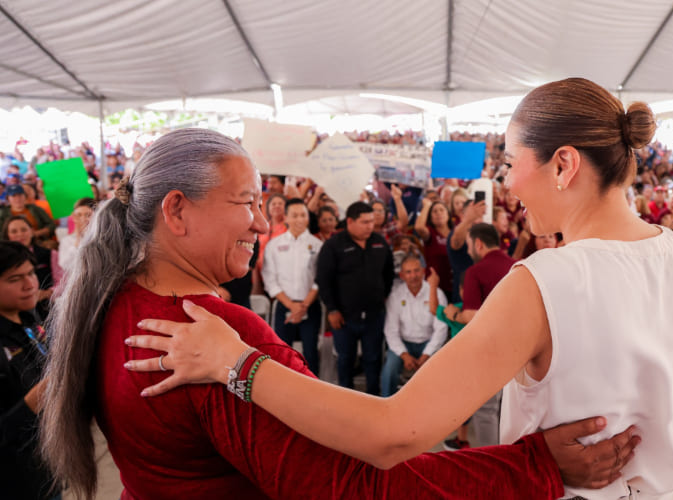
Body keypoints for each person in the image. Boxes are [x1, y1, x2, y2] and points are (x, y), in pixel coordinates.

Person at [127, 79, 673, 500]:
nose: (507, 184)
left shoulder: (548, 280)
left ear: (564, 165)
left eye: (512, 162)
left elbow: (395, 434)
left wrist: (238, 362)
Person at [40, 128, 637, 500]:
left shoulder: (110, 302)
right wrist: (531, 468)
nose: (260, 221)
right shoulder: (210, 340)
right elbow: (355, 482)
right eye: (246, 202)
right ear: (176, 210)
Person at [443, 223, 515, 448]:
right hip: (521, 345)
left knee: (486, 410)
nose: (467, 251)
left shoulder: (476, 271)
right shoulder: (517, 265)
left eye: (468, 245)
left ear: (478, 243)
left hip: (492, 348)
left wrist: (453, 313)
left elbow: (472, 316)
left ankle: (492, 460)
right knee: (512, 407)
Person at [0, 241, 59, 500]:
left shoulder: (30, 319)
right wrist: (44, 392)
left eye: (31, 274)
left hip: (48, 468)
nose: (30, 284)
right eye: (15, 279)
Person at [315, 201, 393, 395]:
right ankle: (346, 401)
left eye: (372, 221)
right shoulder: (333, 246)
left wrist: (381, 296)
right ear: (350, 221)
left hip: (374, 315)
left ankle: (374, 400)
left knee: (373, 359)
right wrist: (332, 309)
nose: (370, 226)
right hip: (343, 317)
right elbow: (323, 281)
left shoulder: (379, 243)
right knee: (346, 359)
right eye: (365, 222)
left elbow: (388, 274)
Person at [262, 198, 323, 376]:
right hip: (284, 305)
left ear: (308, 218)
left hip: (309, 306)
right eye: (294, 215)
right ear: (286, 218)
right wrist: (291, 305)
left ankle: (314, 393)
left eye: (303, 215)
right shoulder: (274, 245)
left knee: (311, 353)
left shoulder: (318, 245)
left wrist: (303, 306)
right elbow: (270, 278)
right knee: (281, 353)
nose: (299, 219)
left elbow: (319, 279)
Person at [381, 254, 448, 397]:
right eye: (408, 272)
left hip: (429, 343)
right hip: (403, 344)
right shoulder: (395, 295)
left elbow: (441, 329)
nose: (413, 276)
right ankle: (386, 405)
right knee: (389, 371)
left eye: (417, 271)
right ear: (402, 275)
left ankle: (437, 407)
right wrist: (404, 355)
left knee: (440, 372)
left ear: (424, 271)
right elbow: (391, 331)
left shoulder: (436, 292)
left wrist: (427, 354)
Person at [3, 216, 55, 317]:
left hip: (46, 308)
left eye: (24, 230)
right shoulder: (3, 261)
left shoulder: (50, 254)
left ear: (32, 231)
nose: (20, 235)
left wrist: (46, 293)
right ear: (7, 235)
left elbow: (62, 282)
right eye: (14, 231)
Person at [414, 198, 454, 298]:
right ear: (430, 217)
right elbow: (419, 227)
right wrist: (427, 205)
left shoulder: (455, 233)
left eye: (441, 210)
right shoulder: (430, 233)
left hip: (455, 285)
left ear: (448, 214)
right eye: (434, 211)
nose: (438, 213)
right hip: (435, 287)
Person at [57, 198, 96, 272]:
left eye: (88, 215)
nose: (83, 219)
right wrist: (78, 241)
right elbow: (65, 265)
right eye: (79, 215)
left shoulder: (100, 237)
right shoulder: (66, 240)